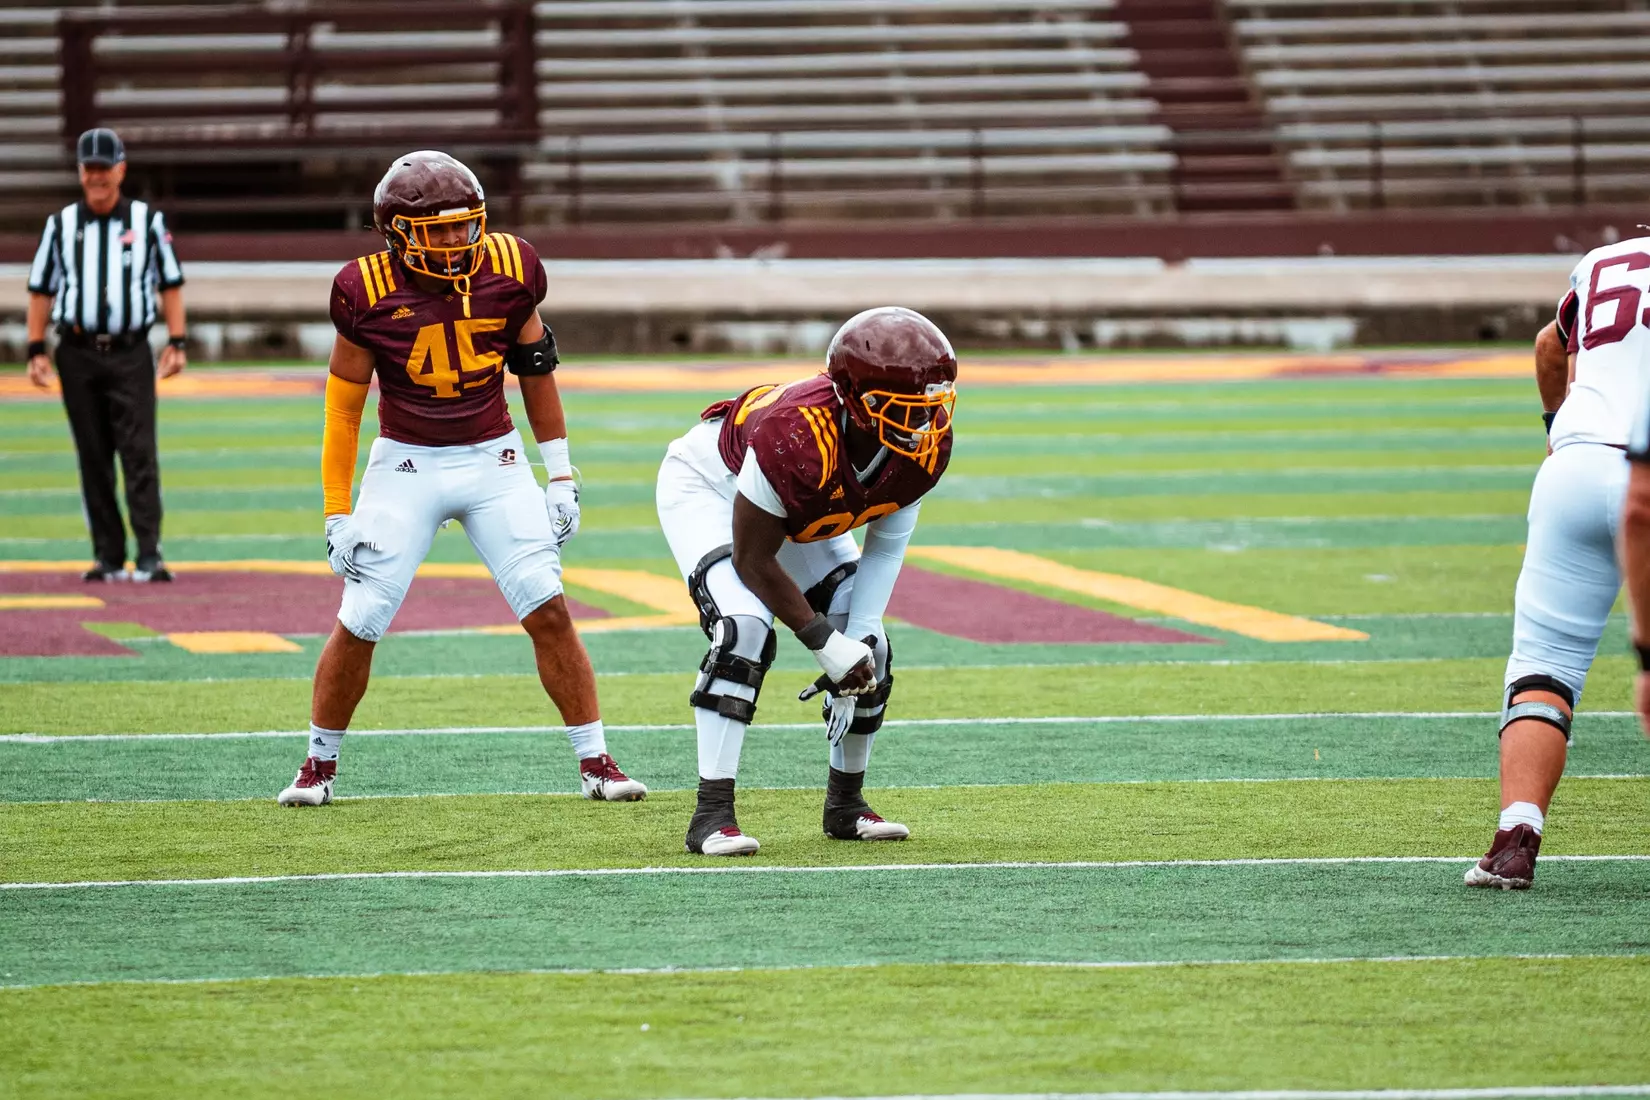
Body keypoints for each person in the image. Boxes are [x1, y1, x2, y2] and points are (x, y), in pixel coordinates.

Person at [276, 150, 646, 807]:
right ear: (395, 233)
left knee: (548, 604)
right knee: (361, 615)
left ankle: (597, 762)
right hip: (405, 463)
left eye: (464, 225)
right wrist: (338, 511)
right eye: (437, 230)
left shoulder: (512, 265)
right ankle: (317, 764)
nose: (455, 241)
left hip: (494, 460)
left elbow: (536, 371)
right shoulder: (363, 288)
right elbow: (343, 407)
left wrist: (559, 473)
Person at [655, 306, 957, 855]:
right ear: (852, 397)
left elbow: (885, 547)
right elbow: (753, 559)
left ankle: (846, 805)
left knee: (873, 648)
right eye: (902, 409)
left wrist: (855, 639)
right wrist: (822, 644)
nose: (920, 425)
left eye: (928, 408)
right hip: (715, 489)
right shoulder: (795, 433)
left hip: (804, 504)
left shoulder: (926, 444)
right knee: (744, 630)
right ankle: (711, 814)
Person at [1466, 235, 1650, 890]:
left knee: (1545, 663)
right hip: (1642, 467)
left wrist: (1556, 433)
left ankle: (1515, 837)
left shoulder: (1607, 259)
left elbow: (1550, 346)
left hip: (1575, 465)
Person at [24, 127, 187, 582]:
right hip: (76, 351)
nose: (97, 176)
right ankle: (108, 555)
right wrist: (36, 347)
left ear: (121, 169)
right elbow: (41, 289)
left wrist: (177, 341)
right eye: (89, 168)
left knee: (138, 451)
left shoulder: (146, 220)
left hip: (131, 350)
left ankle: (149, 552)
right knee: (92, 453)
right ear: (80, 172)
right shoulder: (61, 224)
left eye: (104, 167)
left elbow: (169, 282)